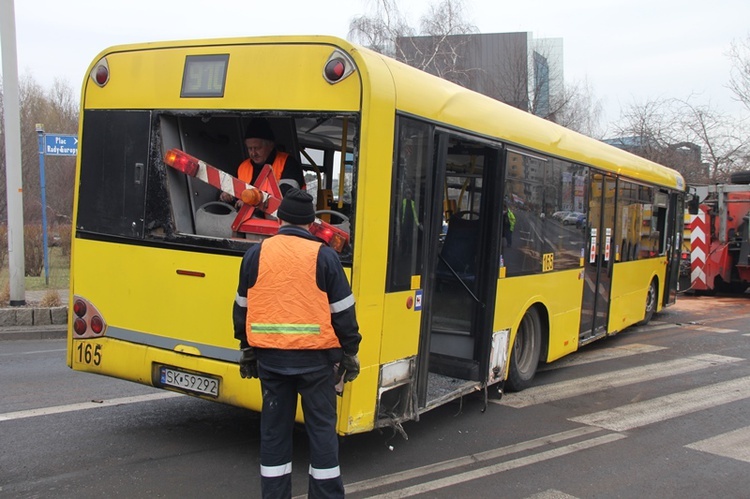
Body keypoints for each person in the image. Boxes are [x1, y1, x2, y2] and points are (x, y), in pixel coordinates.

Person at [233, 188, 361, 499]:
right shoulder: (325, 256)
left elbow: (242, 307)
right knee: (321, 432)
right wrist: (350, 351)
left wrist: (247, 348)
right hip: (316, 364)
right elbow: (343, 312)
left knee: (274, 434)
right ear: (310, 223)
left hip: (272, 362)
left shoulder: (256, 254)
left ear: (281, 218)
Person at [221, 118, 306, 207]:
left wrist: (252, 201)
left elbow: (286, 194)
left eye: (257, 148)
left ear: (271, 146)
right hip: (246, 219)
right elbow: (233, 190)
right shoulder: (243, 167)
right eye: (250, 148)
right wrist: (227, 195)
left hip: (280, 220)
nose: (253, 153)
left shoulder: (288, 163)